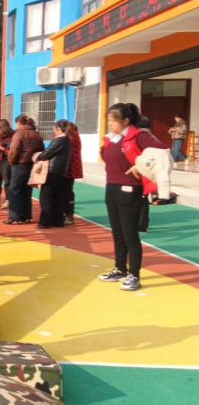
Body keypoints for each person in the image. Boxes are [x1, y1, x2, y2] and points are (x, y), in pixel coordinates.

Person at [99, 103, 167, 292]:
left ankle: (134, 276)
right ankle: (120, 269)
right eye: (108, 120)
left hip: (130, 190)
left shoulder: (138, 136)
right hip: (112, 188)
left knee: (130, 235)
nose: (110, 124)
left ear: (126, 121)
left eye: (113, 121)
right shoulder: (112, 138)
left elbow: (162, 151)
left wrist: (141, 165)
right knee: (117, 233)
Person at [5, 115, 44, 225]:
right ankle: (26, 215)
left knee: (15, 190)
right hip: (31, 165)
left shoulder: (19, 134)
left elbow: (13, 151)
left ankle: (14, 216)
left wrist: (11, 161)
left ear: (18, 123)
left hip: (19, 164)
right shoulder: (37, 134)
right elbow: (42, 150)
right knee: (27, 191)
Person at [36, 120, 72, 229]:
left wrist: (38, 157)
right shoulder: (67, 140)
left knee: (46, 197)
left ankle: (45, 222)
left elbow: (47, 153)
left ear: (58, 129)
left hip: (53, 171)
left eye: (54, 129)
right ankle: (58, 221)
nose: (54, 132)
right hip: (60, 171)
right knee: (57, 197)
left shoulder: (59, 140)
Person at [64, 122, 83, 225]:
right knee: (69, 190)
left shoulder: (68, 137)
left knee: (65, 192)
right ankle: (69, 215)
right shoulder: (76, 136)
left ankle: (68, 214)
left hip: (67, 168)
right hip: (74, 168)